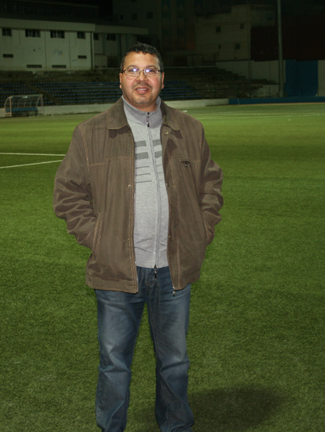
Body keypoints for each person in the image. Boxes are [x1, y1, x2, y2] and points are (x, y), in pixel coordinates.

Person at [53, 42, 223, 432]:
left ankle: (175, 426)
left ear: (162, 79)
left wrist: (200, 232)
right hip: (117, 271)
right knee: (114, 363)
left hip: (174, 270)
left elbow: (210, 185)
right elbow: (68, 194)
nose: (141, 78)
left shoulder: (189, 129)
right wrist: (100, 239)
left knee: (175, 362)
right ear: (120, 79)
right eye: (133, 70)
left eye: (150, 70)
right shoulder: (90, 133)